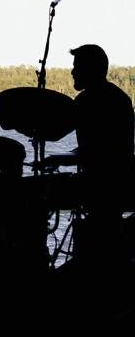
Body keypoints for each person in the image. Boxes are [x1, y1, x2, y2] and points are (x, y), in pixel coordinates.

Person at [70, 44, 134, 261]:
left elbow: (102, 152)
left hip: (103, 188)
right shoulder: (119, 98)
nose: (72, 71)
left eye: (77, 66)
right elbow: (99, 146)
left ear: (90, 69)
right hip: (117, 185)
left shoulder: (88, 102)